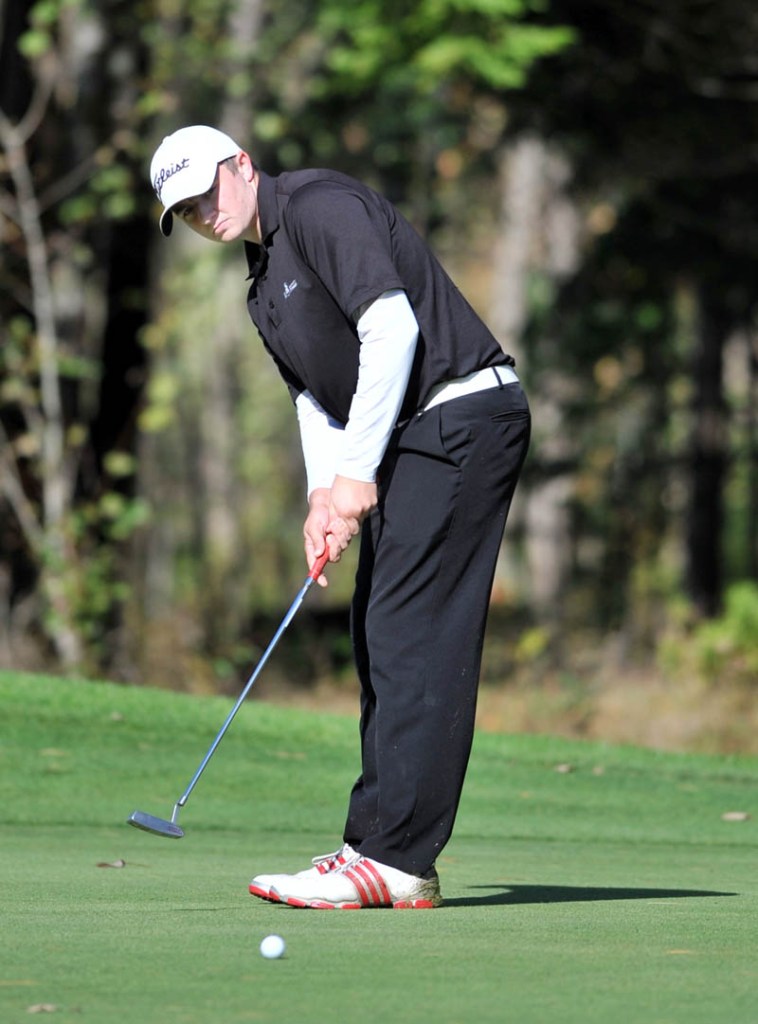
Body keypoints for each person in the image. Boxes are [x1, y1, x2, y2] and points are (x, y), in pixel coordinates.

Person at [149, 125, 531, 909]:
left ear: (242, 165)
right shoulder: (261, 287)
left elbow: (392, 328)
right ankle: (376, 847)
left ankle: (395, 860)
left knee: (411, 635)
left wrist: (358, 474)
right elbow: (314, 400)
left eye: (204, 193)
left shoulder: (318, 206)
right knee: (379, 634)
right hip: (409, 440)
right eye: (183, 212)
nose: (201, 215)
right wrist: (325, 496)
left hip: (461, 417)